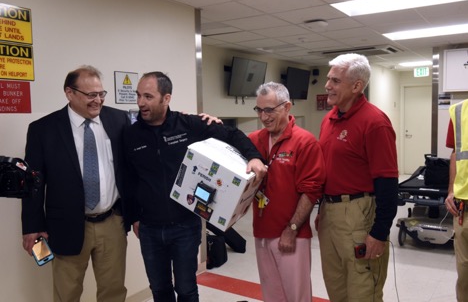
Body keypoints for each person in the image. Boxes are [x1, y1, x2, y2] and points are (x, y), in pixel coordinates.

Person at [123, 71, 267, 302]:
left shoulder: (189, 124)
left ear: (166, 98)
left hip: (185, 226)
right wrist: (133, 218)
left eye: (148, 96)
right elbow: (128, 179)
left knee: (187, 289)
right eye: (138, 96)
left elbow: (232, 134)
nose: (141, 102)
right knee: (159, 290)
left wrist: (254, 157)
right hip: (149, 228)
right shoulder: (131, 134)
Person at [21, 65, 131, 301]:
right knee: (67, 293)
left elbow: (132, 167)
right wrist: (31, 226)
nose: (98, 101)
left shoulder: (118, 120)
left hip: (112, 223)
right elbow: (33, 185)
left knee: (113, 291)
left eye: (101, 94)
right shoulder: (43, 130)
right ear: (69, 93)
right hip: (65, 226)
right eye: (91, 95)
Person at [315, 53, 399, 302]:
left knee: (363, 291)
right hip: (330, 214)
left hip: (359, 215)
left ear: (356, 86)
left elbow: (387, 182)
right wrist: (322, 209)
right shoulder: (329, 119)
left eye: (335, 81)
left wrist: (380, 233)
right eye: (328, 79)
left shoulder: (375, 122)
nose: (327, 86)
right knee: (336, 288)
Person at [248, 82, 326, 302]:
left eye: (270, 110)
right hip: (262, 231)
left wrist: (291, 230)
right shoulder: (255, 140)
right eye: (259, 110)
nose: (264, 117)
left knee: (296, 296)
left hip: (292, 234)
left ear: (287, 107)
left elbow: (312, 192)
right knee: (272, 294)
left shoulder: (305, 142)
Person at [445, 101, 468, 302]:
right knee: (464, 275)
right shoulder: (459, 110)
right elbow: (455, 153)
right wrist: (451, 190)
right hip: (463, 209)